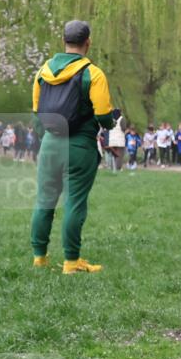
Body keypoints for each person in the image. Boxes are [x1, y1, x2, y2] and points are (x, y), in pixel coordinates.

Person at [30, 19, 115, 274]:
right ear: (88, 43)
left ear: (63, 41)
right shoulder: (93, 73)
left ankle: (39, 258)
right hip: (79, 146)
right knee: (74, 203)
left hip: (49, 145)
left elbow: (36, 112)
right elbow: (103, 116)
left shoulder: (43, 72)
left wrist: (48, 136)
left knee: (44, 201)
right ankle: (71, 262)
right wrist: (110, 122)